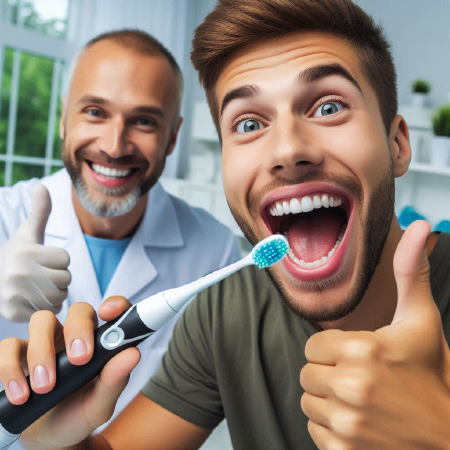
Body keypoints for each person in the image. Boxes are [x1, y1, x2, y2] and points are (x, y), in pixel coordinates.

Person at [1, 1, 450, 449]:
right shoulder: (222, 312)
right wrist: (60, 440)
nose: (287, 149)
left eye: (329, 107)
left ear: (397, 144)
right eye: (249, 122)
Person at [0, 29, 240, 445]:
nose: (114, 146)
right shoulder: (5, 215)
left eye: (144, 120)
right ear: (63, 118)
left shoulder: (214, 249)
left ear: (173, 138)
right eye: (95, 112)